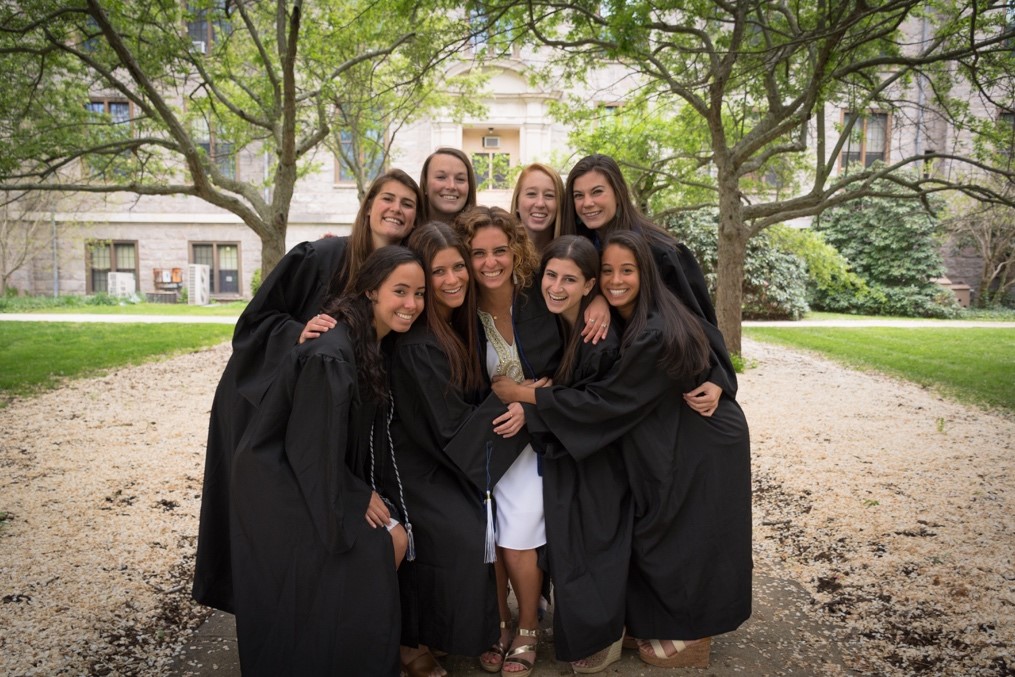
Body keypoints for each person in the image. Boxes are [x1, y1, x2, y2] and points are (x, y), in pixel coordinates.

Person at [493, 230, 752, 669]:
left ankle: (691, 637)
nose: (615, 279)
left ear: (644, 273)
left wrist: (526, 396)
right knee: (658, 532)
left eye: (626, 270)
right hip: (664, 429)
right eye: (608, 270)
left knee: (685, 536)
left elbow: (609, 400)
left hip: (699, 437)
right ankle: (656, 624)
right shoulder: (625, 315)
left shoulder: (654, 327)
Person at [193, 169, 424, 614]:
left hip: (315, 419)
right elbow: (254, 321)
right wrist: (298, 332)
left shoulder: (401, 275)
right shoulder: (323, 255)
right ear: (369, 205)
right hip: (259, 404)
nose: (396, 208)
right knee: (261, 524)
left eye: (407, 203)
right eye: (388, 198)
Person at [229, 246, 427, 675]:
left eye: (419, 293)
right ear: (372, 290)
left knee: (394, 537)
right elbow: (309, 448)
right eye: (400, 291)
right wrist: (356, 496)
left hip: (308, 472)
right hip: (278, 484)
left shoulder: (365, 337)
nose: (411, 304)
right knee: (385, 543)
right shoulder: (332, 353)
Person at [388, 222, 533, 676]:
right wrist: (519, 395)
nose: (452, 279)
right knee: (463, 526)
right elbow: (450, 428)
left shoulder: (454, 324)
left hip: (443, 450)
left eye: (457, 267)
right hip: (416, 462)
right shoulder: (418, 343)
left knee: (488, 516)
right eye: (438, 272)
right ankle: (415, 640)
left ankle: (458, 631)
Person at [494, 235, 632, 673]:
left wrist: (522, 397)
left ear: (590, 284)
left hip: (598, 462)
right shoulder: (559, 323)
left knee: (581, 546)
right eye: (551, 275)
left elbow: (596, 408)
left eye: (570, 279)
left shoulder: (600, 340)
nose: (556, 286)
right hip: (566, 449)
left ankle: (597, 637)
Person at [455, 206, 561, 677]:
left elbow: (574, 370)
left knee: (517, 534)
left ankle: (527, 627)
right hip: (482, 438)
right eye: (477, 253)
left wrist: (528, 402)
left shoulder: (540, 300)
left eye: (500, 250)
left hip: (535, 439)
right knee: (486, 533)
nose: (490, 262)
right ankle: (496, 622)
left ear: (515, 250)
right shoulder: (458, 312)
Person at [561, 153, 738, 412]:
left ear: (618, 193)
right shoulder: (579, 249)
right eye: (579, 195)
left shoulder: (660, 250)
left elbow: (699, 318)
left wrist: (718, 377)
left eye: (597, 192)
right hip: (611, 390)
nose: (587, 203)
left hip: (664, 387)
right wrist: (596, 295)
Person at [510, 163, 564, 254]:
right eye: (531, 194)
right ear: (516, 202)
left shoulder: (571, 253)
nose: (540, 204)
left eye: (549, 195)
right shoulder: (501, 254)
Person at [420, 148, 478, 224]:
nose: (451, 186)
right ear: (425, 184)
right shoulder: (405, 232)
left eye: (460, 179)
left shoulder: (483, 233)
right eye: (441, 177)